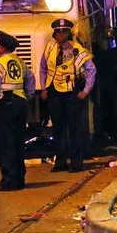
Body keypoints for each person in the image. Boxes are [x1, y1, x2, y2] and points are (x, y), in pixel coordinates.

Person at [40, 19, 96, 172]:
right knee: (58, 128)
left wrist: (85, 91)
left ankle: (76, 163)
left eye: (64, 32)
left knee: (75, 128)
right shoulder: (50, 48)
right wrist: (44, 87)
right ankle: (60, 162)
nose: (60, 35)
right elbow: (43, 68)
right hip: (54, 92)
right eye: (58, 32)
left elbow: (91, 70)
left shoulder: (78, 50)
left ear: (68, 33)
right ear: (54, 34)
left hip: (72, 92)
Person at [0, 31, 35, 191]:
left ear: (3, 48)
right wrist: (28, 95)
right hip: (20, 103)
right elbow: (30, 78)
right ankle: (19, 179)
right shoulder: (20, 62)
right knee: (18, 141)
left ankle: (9, 181)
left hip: (4, 104)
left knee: (5, 143)